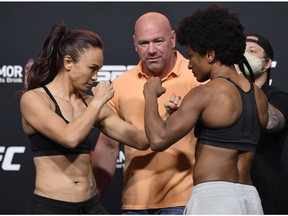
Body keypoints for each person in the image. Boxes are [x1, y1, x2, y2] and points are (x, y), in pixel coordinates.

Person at [143, 5, 268, 214]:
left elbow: (157, 139)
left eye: (192, 56)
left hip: (215, 199)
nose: (190, 65)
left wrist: (149, 95)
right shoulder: (258, 95)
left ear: (209, 55)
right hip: (249, 199)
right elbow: (269, 122)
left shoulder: (205, 94)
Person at [19, 21, 149, 214]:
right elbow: (69, 137)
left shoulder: (89, 102)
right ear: (69, 63)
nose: (96, 77)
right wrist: (99, 101)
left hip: (90, 206)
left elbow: (140, 141)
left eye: (99, 70)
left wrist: (162, 109)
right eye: (92, 68)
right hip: (52, 207)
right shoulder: (34, 99)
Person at [92, 12, 202, 214]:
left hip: (185, 201)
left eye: (158, 41)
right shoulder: (121, 84)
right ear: (135, 43)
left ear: (173, 38)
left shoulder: (197, 76)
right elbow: (108, 147)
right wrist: (94, 199)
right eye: (144, 43)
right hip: (135, 203)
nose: (151, 50)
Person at [241, 33, 288, 214]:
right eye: (241, 51)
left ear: (267, 63)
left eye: (252, 51)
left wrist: (245, 84)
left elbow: (270, 122)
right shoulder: (228, 97)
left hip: (266, 197)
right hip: (231, 194)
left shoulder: (278, 97)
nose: (244, 56)